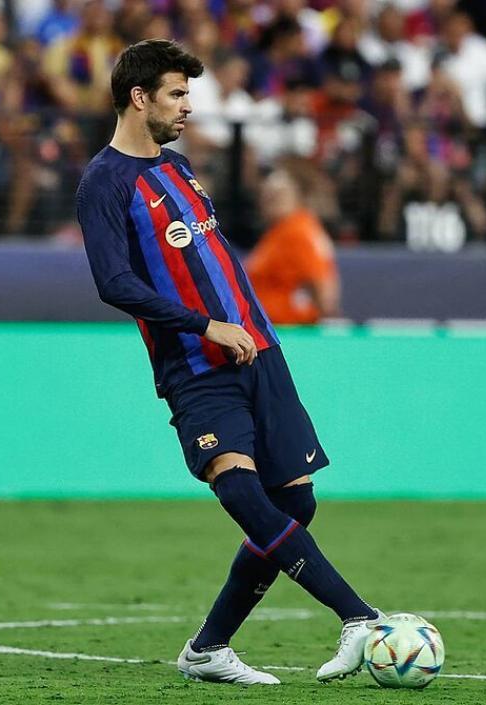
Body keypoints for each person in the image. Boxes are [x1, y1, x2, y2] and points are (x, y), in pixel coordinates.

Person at [74, 39, 382, 687]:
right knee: (240, 488)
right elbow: (113, 282)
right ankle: (358, 617)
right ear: (139, 98)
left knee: (295, 501)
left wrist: (243, 325)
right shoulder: (104, 181)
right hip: (196, 363)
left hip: (259, 350)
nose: (187, 106)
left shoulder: (178, 166)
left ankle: (209, 647)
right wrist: (204, 324)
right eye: (176, 94)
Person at [246, 169, 339, 324]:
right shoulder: (278, 231)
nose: (270, 201)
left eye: (278, 195)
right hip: (269, 325)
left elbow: (322, 284)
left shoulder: (299, 230)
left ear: (297, 197)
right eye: (266, 196)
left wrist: (321, 323)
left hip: (291, 327)